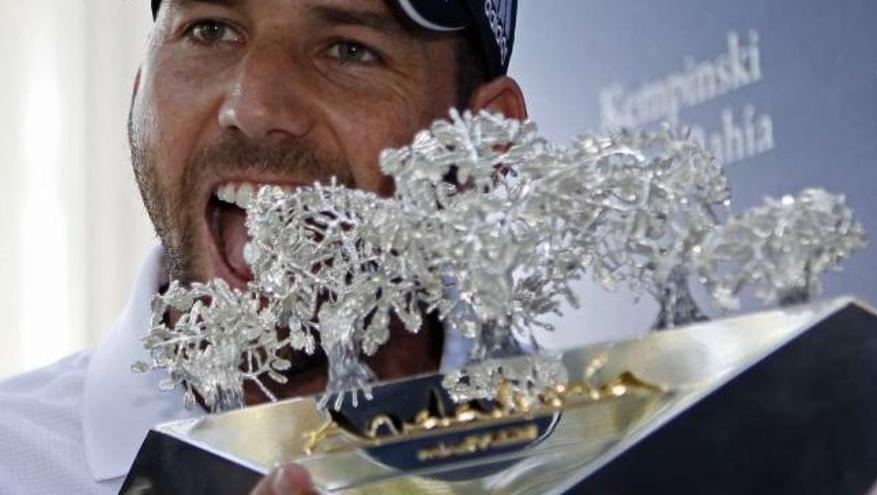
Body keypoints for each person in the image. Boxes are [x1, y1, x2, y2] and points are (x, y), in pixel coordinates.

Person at [0, 0, 526, 493]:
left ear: (483, 142)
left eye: (350, 49)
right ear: (139, 89)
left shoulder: (593, 458)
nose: (253, 107)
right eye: (211, 30)